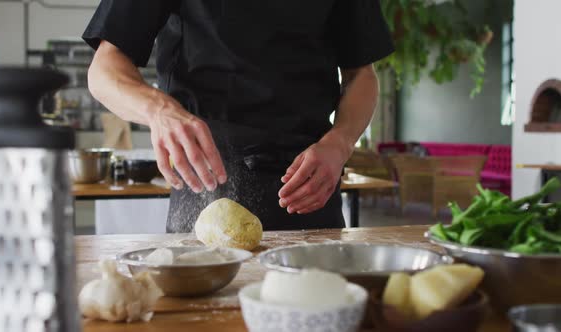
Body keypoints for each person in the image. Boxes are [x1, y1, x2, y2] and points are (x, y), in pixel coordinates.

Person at [83, 0, 394, 232]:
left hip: (312, 182)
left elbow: (361, 74)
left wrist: (340, 143)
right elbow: (104, 69)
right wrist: (159, 110)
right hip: (209, 182)